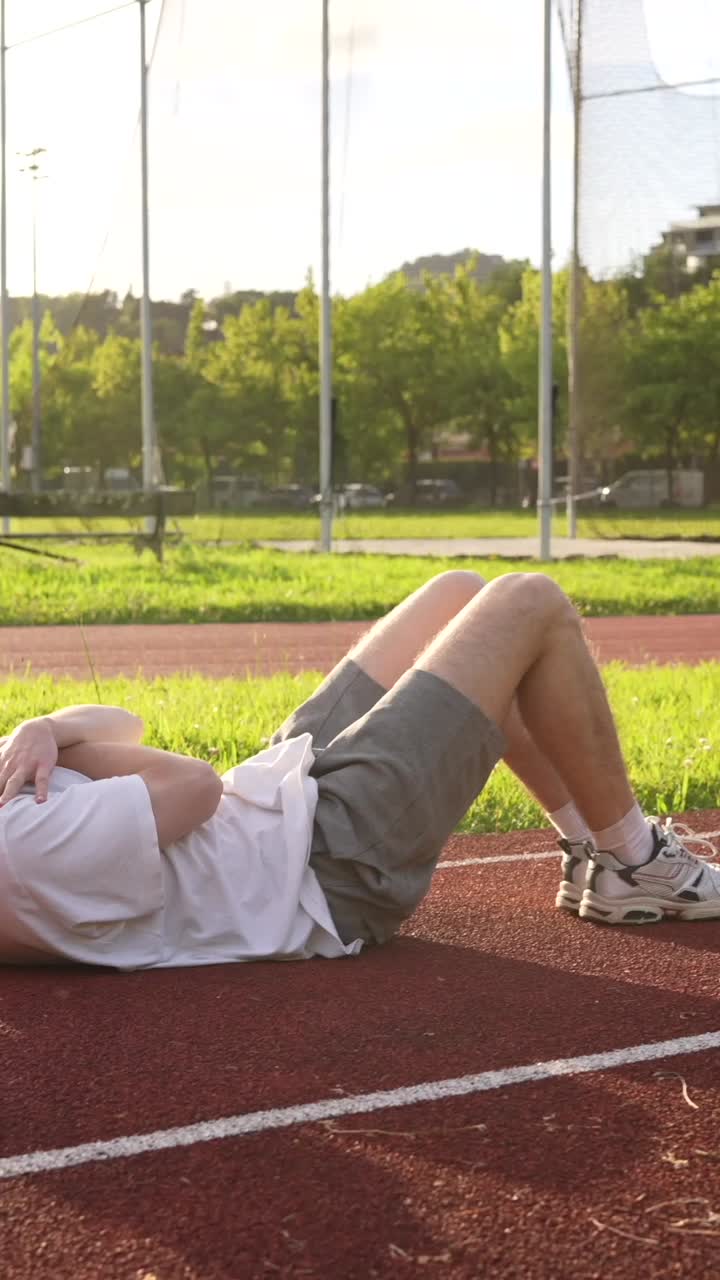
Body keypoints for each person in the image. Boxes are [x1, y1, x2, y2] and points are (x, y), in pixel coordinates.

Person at [0, 570, 717, 970]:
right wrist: (69, 748)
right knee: (529, 604)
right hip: (322, 865)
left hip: (274, 806)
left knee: (458, 596)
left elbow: (126, 723)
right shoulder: (19, 846)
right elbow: (190, 786)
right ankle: (637, 862)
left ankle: (592, 854)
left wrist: (46, 729)